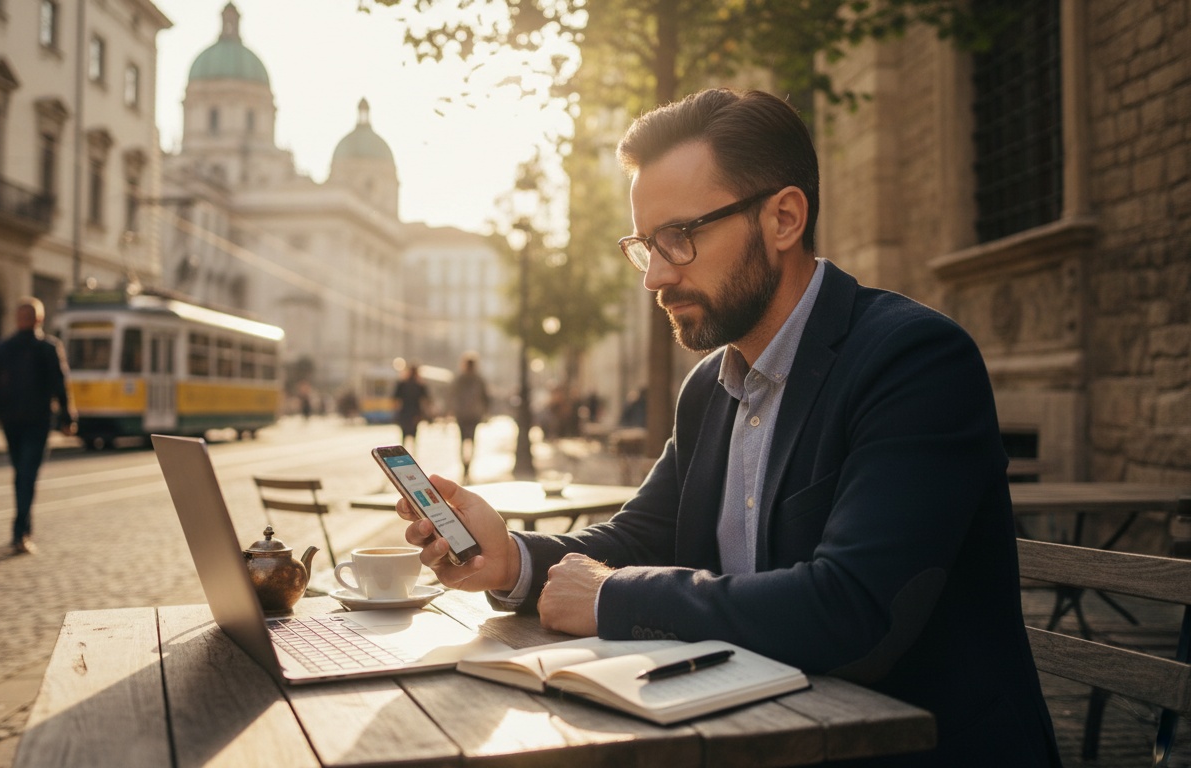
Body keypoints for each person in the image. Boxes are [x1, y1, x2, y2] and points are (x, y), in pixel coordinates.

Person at [396, 89, 1060, 766]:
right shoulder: (709, 385)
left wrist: (618, 598)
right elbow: (641, 536)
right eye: (646, 245)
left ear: (784, 218)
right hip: (750, 736)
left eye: (680, 237)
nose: (655, 275)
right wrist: (509, 558)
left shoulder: (914, 362)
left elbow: (854, 610)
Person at [0, 297, 76, 555]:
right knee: (26, 474)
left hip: (12, 419)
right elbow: (60, 384)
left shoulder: (3, 347)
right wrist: (68, 418)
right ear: (39, 319)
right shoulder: (47, 347)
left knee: (22, 473)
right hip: (35, 420)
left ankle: (21, 529)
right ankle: (21, 531)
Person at [447, 353, 490, 481]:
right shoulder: (478, 379)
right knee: (471, 441)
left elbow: (452, 396)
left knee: (462, 441)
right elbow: (486, 398)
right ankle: (468, 466)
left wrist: (451, 410)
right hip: (474, 414)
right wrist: (485, 412)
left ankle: (465, 466)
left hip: (463, 414)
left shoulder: (459, 379)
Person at [392, 364, 429, 450]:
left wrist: (396, 410)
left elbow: (395, 398)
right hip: (415, 412)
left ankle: (404, 451)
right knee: (414, 433)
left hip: (404, 412)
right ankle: (413, 452)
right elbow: (426, 398)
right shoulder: (420, 385)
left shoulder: (402, 384)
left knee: (404, 433)